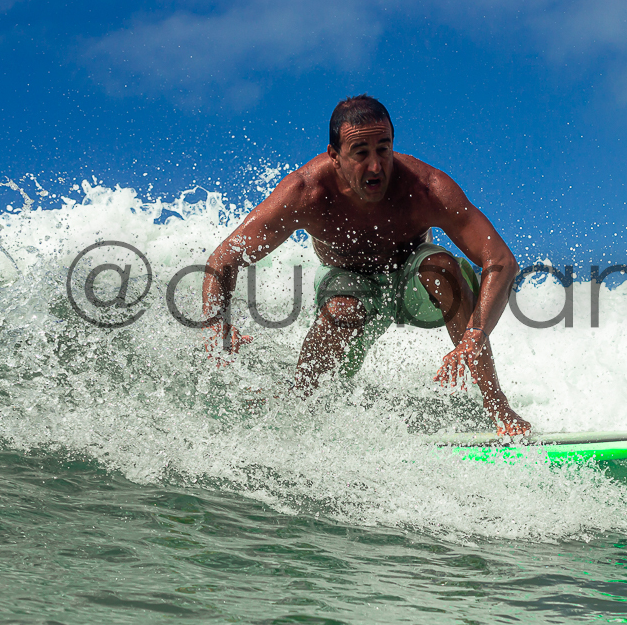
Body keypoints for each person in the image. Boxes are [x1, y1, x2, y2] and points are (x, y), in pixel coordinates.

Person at [200, 95, 531, 436]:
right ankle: (298, 413)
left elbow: (502, 261)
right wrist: (215, 324)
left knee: (441, 268)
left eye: (383, 149)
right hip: (346, 280)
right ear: (334, 155)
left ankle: (498, 407)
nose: (375, 166)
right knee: (340, 311)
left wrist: (475, 335)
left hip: (412, 281)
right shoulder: (306, 192)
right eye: (360, 153)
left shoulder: (426, 188)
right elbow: (224, 258)